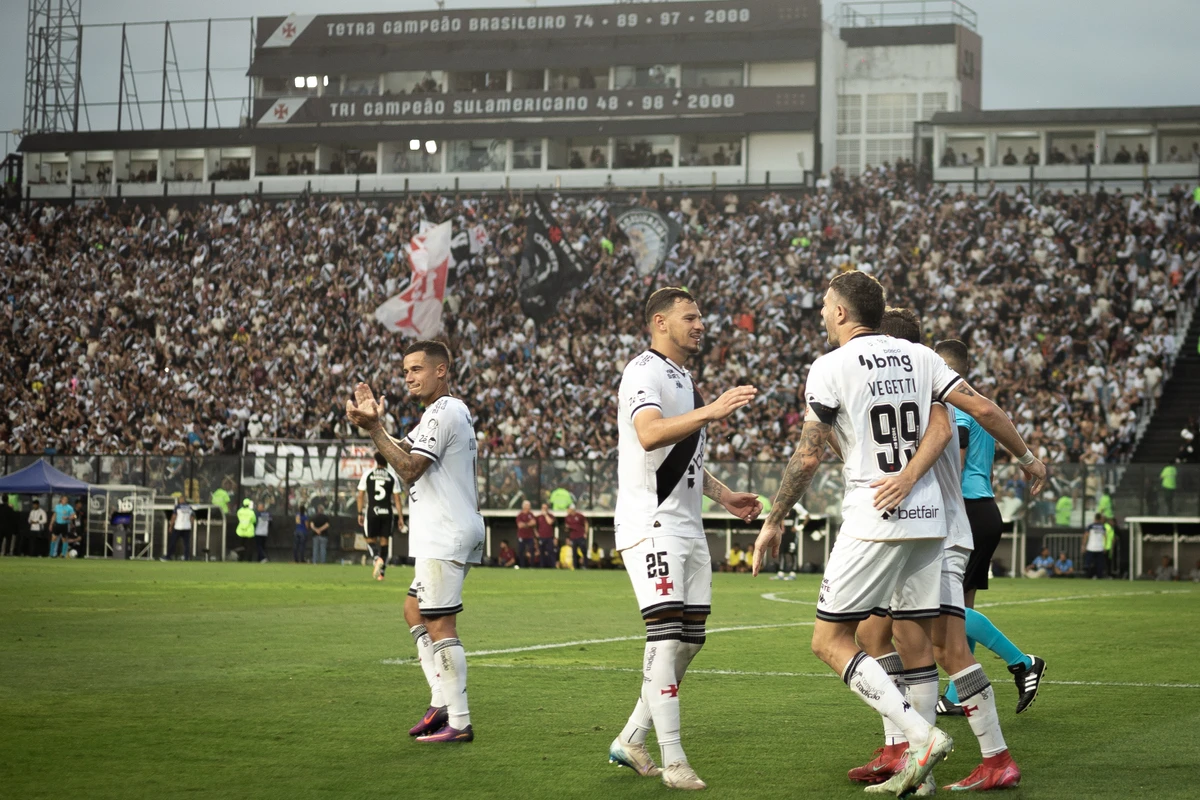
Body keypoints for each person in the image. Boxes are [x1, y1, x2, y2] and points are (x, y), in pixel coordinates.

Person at [751, 272, 1045, 796]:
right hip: (932, 521)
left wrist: (775, 518)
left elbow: (809, 453)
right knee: (908, 638)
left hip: (878, 516)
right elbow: (971, 413)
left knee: (835, 639)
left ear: (842, 312)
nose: (821, 312)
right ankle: (919, 759)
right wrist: (1026, 457)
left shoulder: (830, 366)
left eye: (824, 305)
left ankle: (919, 738)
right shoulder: (923, 361)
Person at [842, 308, 1028, 792]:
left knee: (943, 646)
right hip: (915, 532)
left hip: (940, 533)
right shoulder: (914, 386)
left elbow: (963, 423)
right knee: (879, 635)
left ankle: (992, 756)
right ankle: (903, 749)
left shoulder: (926, 386)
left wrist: (1029, 459)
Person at [608, 287, 763, 791]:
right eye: (689, 316)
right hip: (652, 525)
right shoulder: (643, 371)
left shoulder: (687, 381)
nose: (700, 324)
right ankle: (673, 761)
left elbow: (684, 462)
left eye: (700, 316)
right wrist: (712, 411)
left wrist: (724, 496)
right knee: (666, 637)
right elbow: (650, 434)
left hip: (688, 527)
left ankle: (631, 737)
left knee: (689, 642)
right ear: (659, 322)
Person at [346, 339, 485, 744]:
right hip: (440, 530)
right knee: (413, 611)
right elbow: (403, 448)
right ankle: (441, 699)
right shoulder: (434, 415)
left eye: (417, 369)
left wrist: (374, 429)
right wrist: (379, 425)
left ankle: (458, 721)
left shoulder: (445, 411)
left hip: (446, 530)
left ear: (440, 370)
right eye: (405, 369)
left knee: (440, 622)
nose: (408, 375)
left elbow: (408, 469)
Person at [933, 339, 1047, 715]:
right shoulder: (973, 401)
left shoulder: (953, 404)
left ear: (941, 365)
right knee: (962, 607)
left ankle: (1022, 661)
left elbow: (957, 452)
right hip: (982, 507)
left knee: (941, 608)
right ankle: (954, 695)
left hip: (963, 507)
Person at [358, 452, 403, 581]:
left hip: (372, 511)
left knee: (369, 539)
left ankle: (376, 558)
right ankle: (382, 574)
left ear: (376, 461)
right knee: (384, 542)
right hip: (387, 512)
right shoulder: (392, 476)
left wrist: (360, 513)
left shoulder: (368, 474)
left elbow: (360, 495)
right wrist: (400, 517)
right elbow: (397, 499)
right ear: (387, 462)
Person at [164, 494, 195, 561]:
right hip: (187, 528)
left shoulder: (178, 507)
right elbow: (192, 518)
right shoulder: (189, 507)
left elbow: (173, 517)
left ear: (181, 500)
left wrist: (171, 526)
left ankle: (168, 556)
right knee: (186, 544)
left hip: (178, 527)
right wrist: (190, 524)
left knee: (173, 542)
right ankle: (186, 558)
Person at [564, 504, 589, 569]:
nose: (567, 510)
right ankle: (575, 566)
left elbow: (586, 523)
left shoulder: (579, 516)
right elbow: (567, 527)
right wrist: (567, 528)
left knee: (583, 551)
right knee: (574, 552)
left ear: (572, 509)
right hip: (573, 537)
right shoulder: (567, 517)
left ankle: (585, 565)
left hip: (580, 536)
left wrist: (585, 533)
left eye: (568, 509)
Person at [1083, 514, 1107, 579]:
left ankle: (1088, 576)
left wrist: (1083, 546)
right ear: (1100, 518)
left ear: (1095, 518)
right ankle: (1099, 576)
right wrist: (1105, 547)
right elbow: (1105, 537)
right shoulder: (1102, 527)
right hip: (1100, 548)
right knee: (1099, 564)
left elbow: (1086, 536)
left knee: (1088, 563)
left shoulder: (1090, 526)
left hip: (1091, 547)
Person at [515, 500, 536, 568]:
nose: (529, 507)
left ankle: (532, 565)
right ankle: (522, 565)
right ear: (524, 506)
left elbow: (534, 522)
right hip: (522, 536)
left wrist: (525, 524)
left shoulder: (531, 514)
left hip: (530, 536)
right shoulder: (520, 515)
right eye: (528, 506)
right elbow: (519, 525)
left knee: (532, 550)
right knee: (521, 551)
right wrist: (528, 524)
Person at [536, 503, 556, 568]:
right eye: (543, 507)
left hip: (549, 537)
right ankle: (542, 566)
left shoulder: (551, 515)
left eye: (545, 508)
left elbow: (550, 522)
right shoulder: (538, 517)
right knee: (541, 552)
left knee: (551, 551)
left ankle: (552, 566)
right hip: (541, 537)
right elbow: (535, 526)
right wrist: (536, 533)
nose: (544, 509)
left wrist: (546, 515)